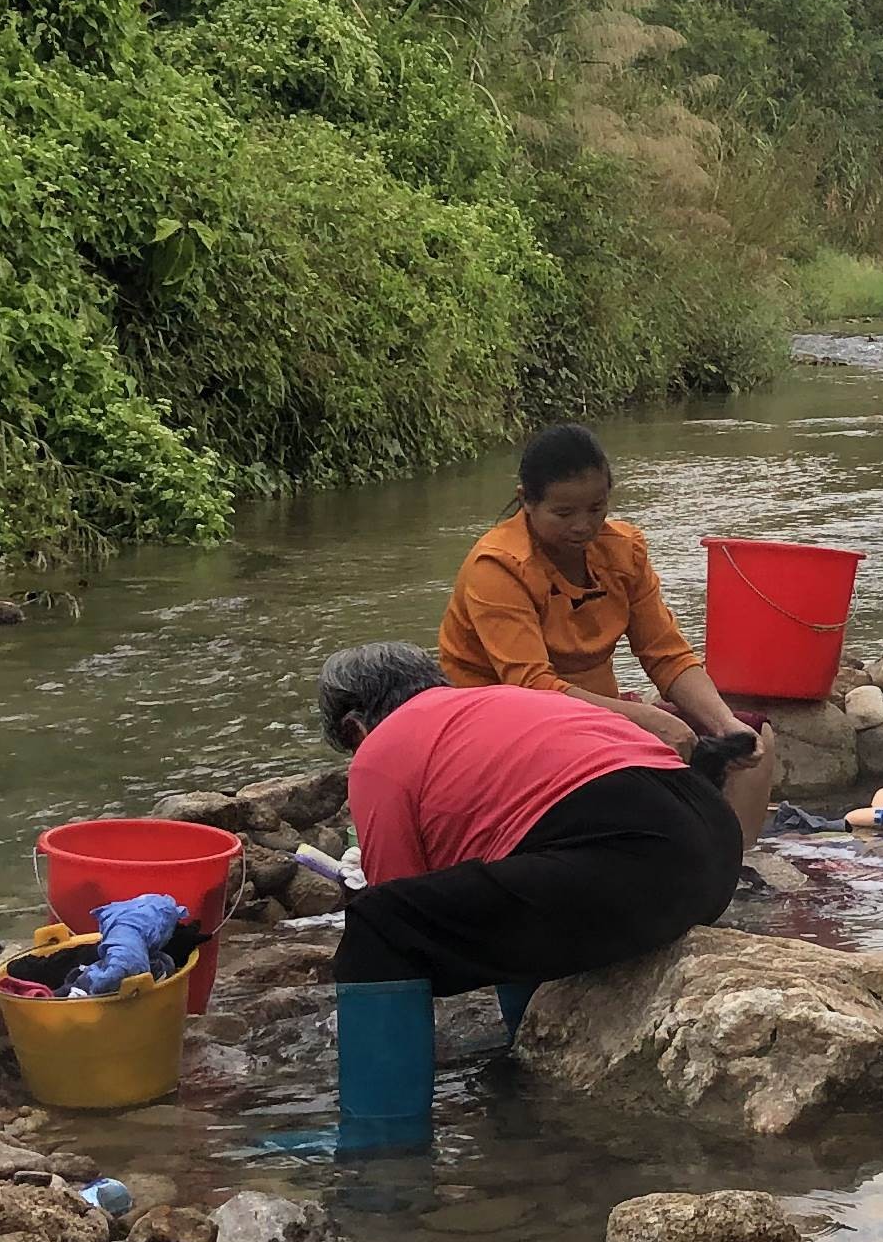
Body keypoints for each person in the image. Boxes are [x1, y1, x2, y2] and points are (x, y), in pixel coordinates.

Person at [319, 643, 745, 1014]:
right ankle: (522, 1039)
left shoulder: (382, 745)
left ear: (354, 727)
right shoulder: (504, 701)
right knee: (508, 881)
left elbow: (400, 890)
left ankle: (382, 1108)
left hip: (636, 865)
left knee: (378, 926)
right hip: (715, 842)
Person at [439, 424, 773, 839]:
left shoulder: (623, 550)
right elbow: (530, 687)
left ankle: (731, 872)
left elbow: (666, 655)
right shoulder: (498, 566)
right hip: (506, 726)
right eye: (563, 513)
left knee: (755, 738)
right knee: (654, 749)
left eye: (597, 508)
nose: (584, 526)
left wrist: (723, 722)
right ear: (526, 501)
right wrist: (647, 720)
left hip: (597, 712)